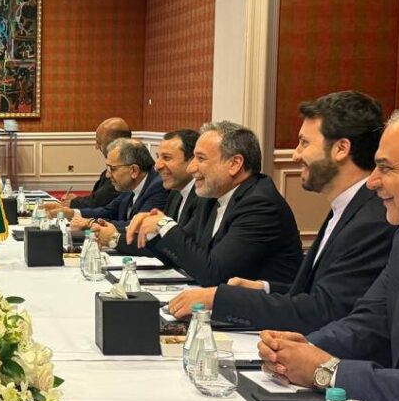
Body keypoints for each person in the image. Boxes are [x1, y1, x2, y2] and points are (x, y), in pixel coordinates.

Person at [168, 92, 394, 332]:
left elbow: (326, 311)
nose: (295, 154)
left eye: (304, 143)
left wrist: (222, 298)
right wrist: (264, 289)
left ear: (341, 148)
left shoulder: (371, 220)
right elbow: (317, 292)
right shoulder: (349, 208)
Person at [259, 102, 399, 401]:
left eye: (386, 168)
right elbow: (369, 323)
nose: (372, 181)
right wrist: (296, 349)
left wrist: (330, 373)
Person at [126, 121, 303, 286]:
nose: (191, 168)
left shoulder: (260, 205)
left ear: (234, 164)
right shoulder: (212, 198)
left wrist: (164, 224)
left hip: (261, 307)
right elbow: (184, 254)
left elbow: (214, 274)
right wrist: (154, 229)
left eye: (201, 159)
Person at [65, 138, 169, 249]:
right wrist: (71, 212)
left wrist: (90, 223)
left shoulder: (159, 187)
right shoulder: (129, 185)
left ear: (134, 170)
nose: (108, 175)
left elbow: (136, 226)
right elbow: (108, 211)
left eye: (113, 169)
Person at [47, 117, 131, 212]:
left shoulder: (124, 170)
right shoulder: (120, 166)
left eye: (99, 143)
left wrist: (73, 204)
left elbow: (99, 203)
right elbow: (103, 205)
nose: (96, 147)